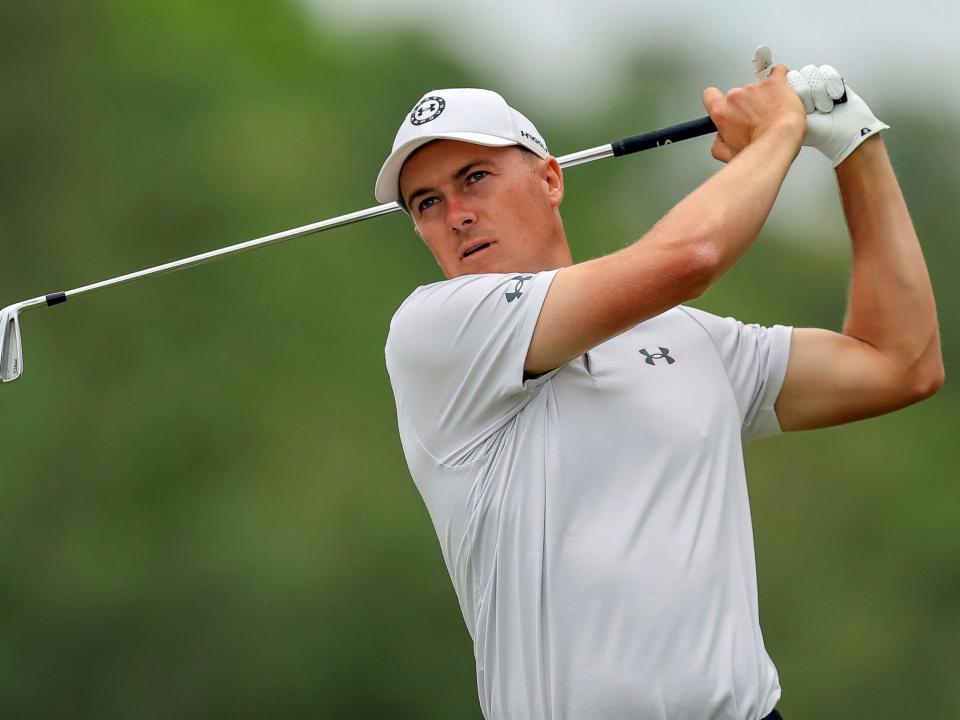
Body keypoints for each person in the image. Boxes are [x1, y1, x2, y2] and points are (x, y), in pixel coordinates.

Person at [376, 58, 943, 720]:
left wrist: (852, 141)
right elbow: (691, 257)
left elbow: (902, 363)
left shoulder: (693, 340)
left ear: (550, 178)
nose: (457, 214)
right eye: (428, 202)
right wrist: (782, 130)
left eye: (475, 178)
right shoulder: (436, 335)